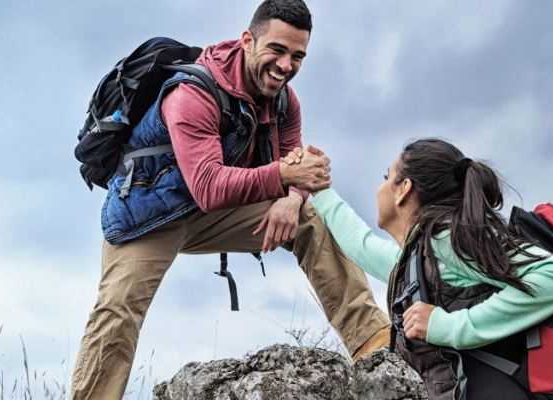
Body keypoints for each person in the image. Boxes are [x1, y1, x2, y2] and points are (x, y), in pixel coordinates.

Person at [70, 1, 391, 399]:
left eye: (297, 56)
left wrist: (293, 197)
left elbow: (292, 163)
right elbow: (208, 185)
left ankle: (374, 344)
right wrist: (285, 176)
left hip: (216, 214)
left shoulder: (285, 102)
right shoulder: (192, 94)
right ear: (247, 41)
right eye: (276, 50)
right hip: (149, 216)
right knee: (117, 312)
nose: (286, 65)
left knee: (312, 217)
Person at [291, 138, 553, 399]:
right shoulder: (421, 257)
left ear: (403, 189)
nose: (379, 186)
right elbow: (362, 246)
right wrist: (321, 191)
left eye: (386, 177)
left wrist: (450, 326)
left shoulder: (450, 240)